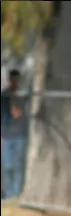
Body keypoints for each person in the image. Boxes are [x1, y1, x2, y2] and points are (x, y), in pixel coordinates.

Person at [1, 69, 26, 199]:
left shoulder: (22, 95)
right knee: (7, 165)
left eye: (16, 80)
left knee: (17, 165)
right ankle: (9, 193)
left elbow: (18, 113)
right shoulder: (4, 96)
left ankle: (16, 193)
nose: (14, 82)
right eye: (12, 79)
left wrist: (14, 98)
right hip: (7, 134)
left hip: (19, 134)